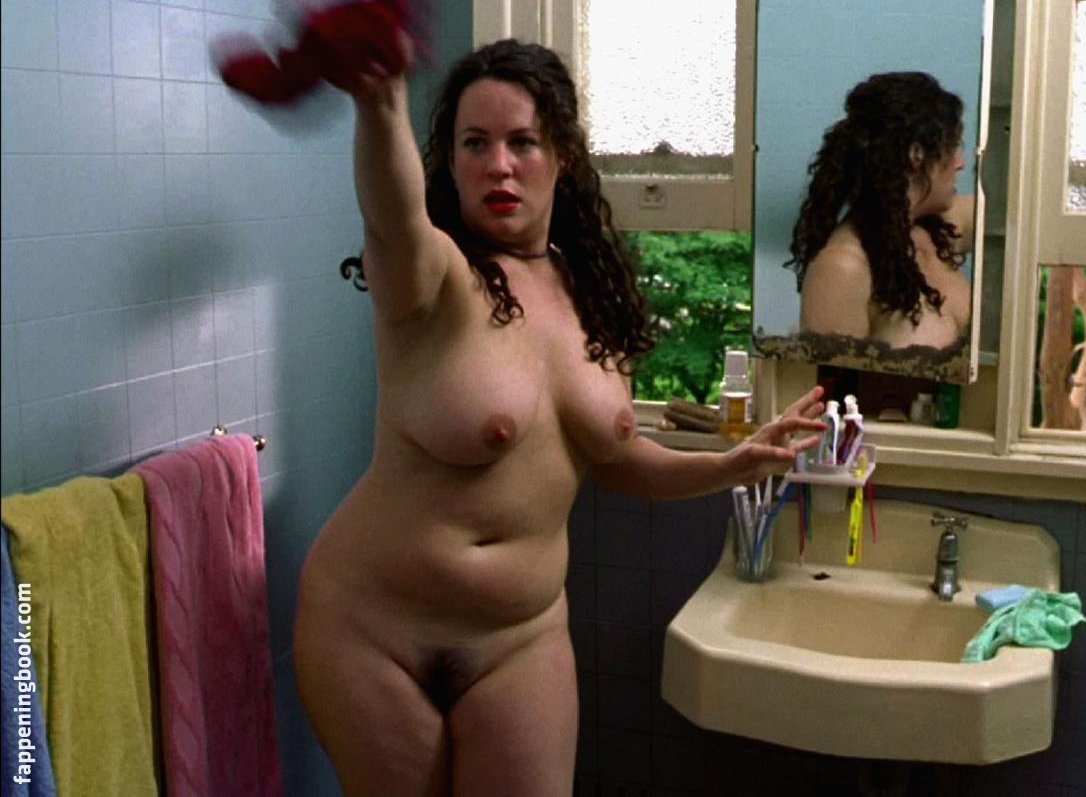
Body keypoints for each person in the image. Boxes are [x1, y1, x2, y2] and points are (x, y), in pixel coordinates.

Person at [292, 29, 827, 797]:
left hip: (519, 637)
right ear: (449, 160)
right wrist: (380, 105)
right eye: (474, 143)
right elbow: (392, 216)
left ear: (563, 156)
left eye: (522, 142)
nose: (498, 164)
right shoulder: (432, 281)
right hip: (372, 628)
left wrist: (729, 465)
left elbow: (616, 461)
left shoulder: (590, 296)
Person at [785, 72, 974, 350]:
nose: (960, 163)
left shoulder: (938, 230)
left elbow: (1021, 214)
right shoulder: (842, 267)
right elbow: (829, 376)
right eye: (953, 147)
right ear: (917, 154)